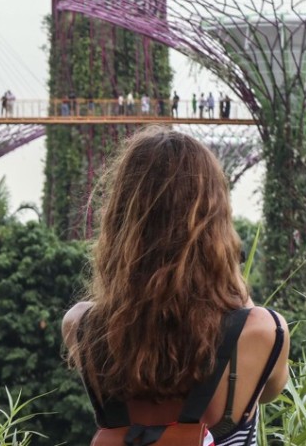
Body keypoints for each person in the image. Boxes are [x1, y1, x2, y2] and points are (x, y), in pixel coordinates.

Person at [62, 128, 289, 445]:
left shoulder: (82, 326)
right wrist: (224, 262)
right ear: (216, 222)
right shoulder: (264, 332)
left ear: (119, 218)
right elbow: (270, 391)